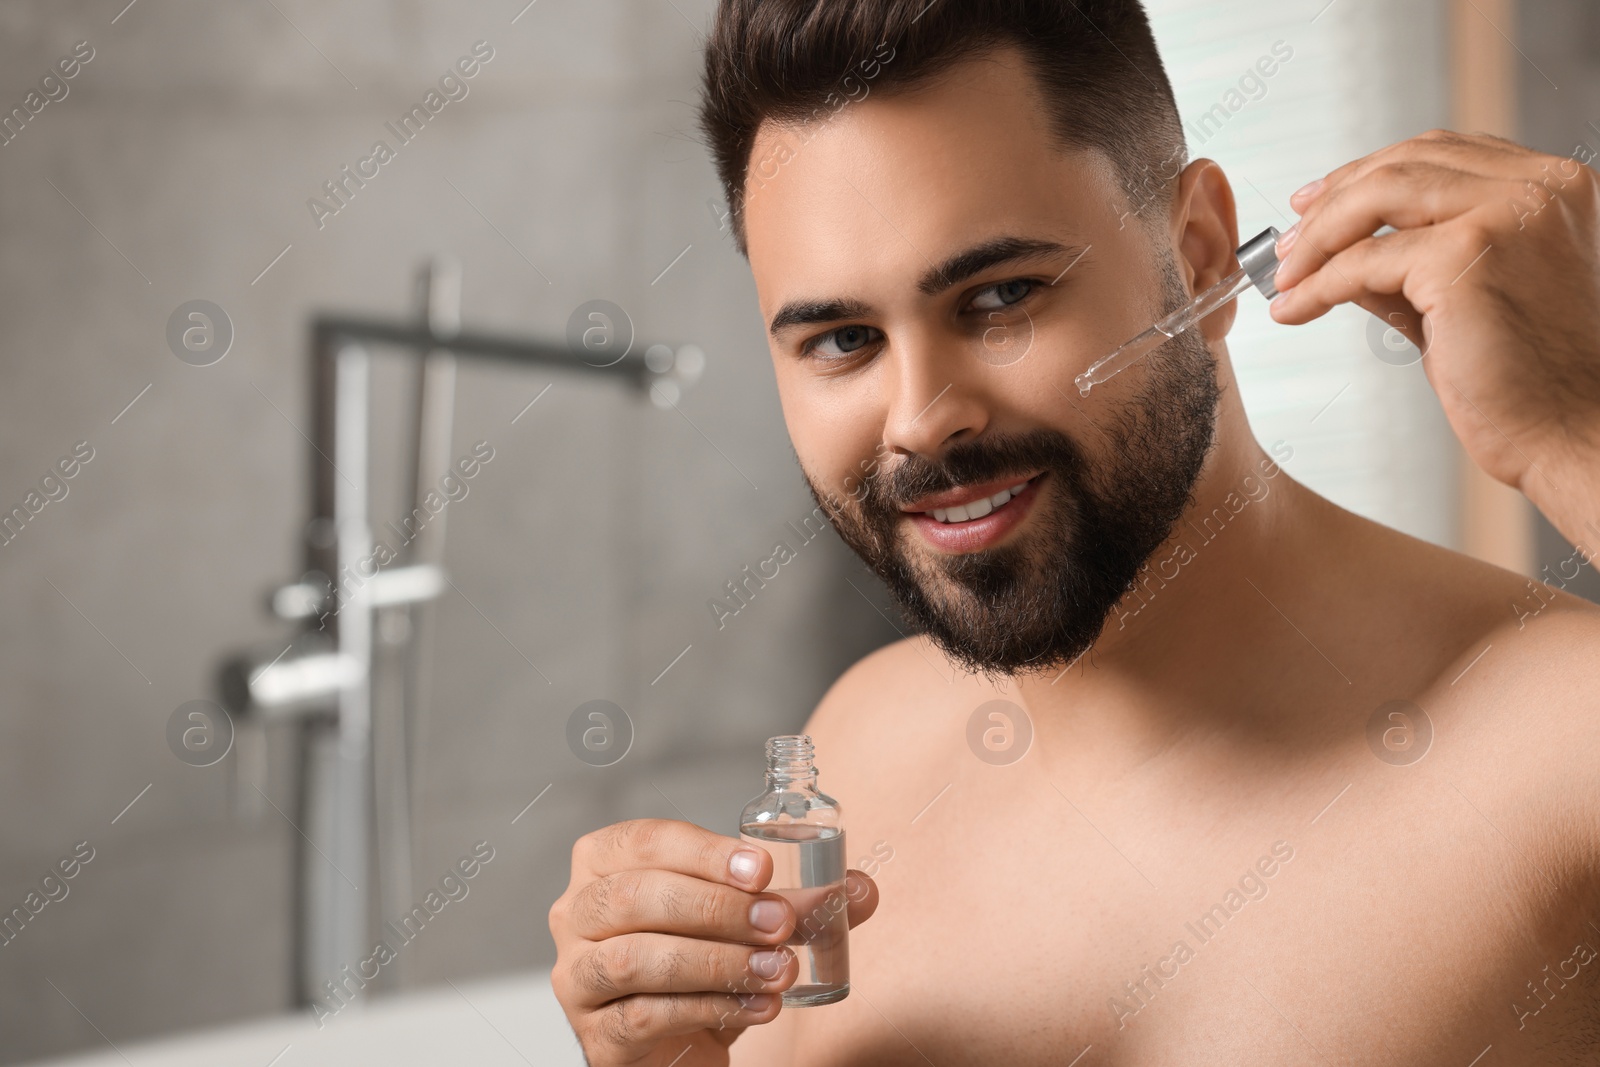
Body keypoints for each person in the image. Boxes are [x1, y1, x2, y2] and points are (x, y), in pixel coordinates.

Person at [550, 2, 1600, 1063]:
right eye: (843, 339)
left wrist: (1576, 439)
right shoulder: (859, 752)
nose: (921, 418)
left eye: (1000, 295)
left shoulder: (1560, 740)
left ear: (1194, 255)